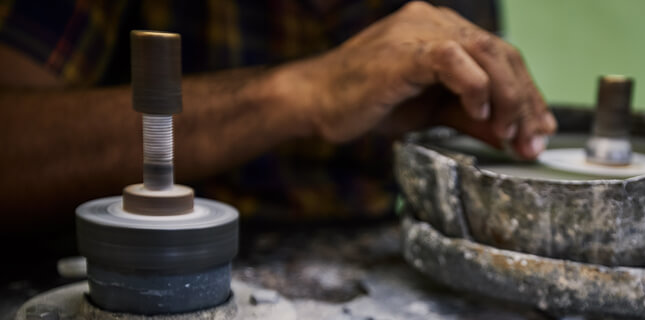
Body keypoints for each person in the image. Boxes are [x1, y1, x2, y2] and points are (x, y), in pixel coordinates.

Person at [0, 0, 556, 234]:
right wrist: (303, 93)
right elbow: (15, 148)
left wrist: (444, 114)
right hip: (146, 262)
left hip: (373, 268)